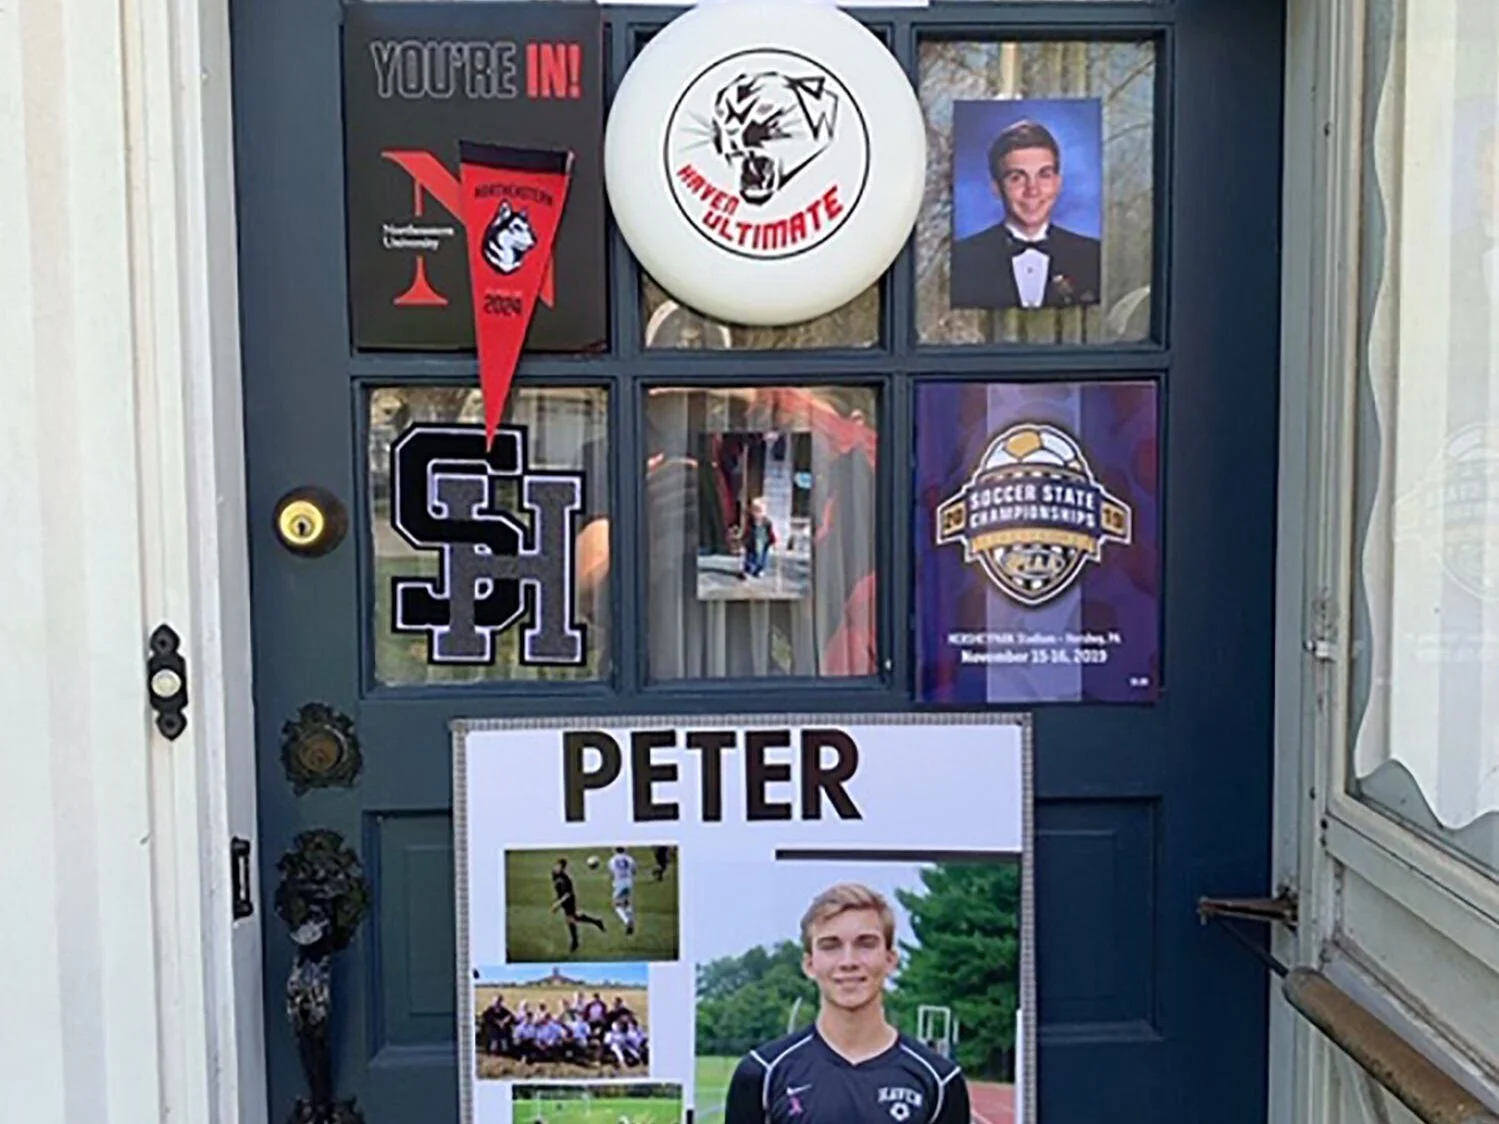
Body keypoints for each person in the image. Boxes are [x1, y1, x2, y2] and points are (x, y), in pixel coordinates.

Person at [724, 883, 971, 1124]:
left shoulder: (939, 1079)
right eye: (831, 946)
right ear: (809, 964)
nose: (848, 961)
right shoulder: (762, 1073)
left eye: (865, 944)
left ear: (890, 960)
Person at [950, 118, 1101, 311]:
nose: (1032, 190)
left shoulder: (1093, 256)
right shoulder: (963, 259)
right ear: (996, 188)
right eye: (1017, 178)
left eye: (1043, 175)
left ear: (1057, 183)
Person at [549, 857, 606, 953]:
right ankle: (596, 922)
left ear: (563, 868)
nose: (557, 868)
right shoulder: (554, 874)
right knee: (574, 918)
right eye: (556, 866)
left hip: (568, 900)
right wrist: (558, 899)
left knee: (570, 919)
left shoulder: (566, 879)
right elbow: (557, 887)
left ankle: (575, 942)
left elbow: (568, 894)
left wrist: (558, 904)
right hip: (562, 899)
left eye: (559, 867)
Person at [608, 845, 638, 935]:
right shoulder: (630, 859)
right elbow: (634, 871)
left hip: (619, 883)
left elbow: (612, 874)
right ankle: (631, 921)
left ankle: (627, 921)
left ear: (614, 849)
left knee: (617, 905)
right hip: (629, 883)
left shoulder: (612, 860)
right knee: (626, 903)